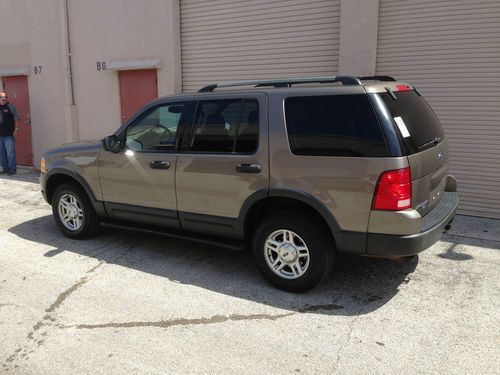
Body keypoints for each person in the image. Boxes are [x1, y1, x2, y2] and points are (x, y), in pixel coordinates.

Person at [0, 92, 20, 176]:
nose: (4, 98)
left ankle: (12, 169)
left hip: (8, 135)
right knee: (1, 153)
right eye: (2, 97)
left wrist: (16, 129)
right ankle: (5, 168)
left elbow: (16, 119)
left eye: (5, 97)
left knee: (10, 153)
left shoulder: (11, 107)